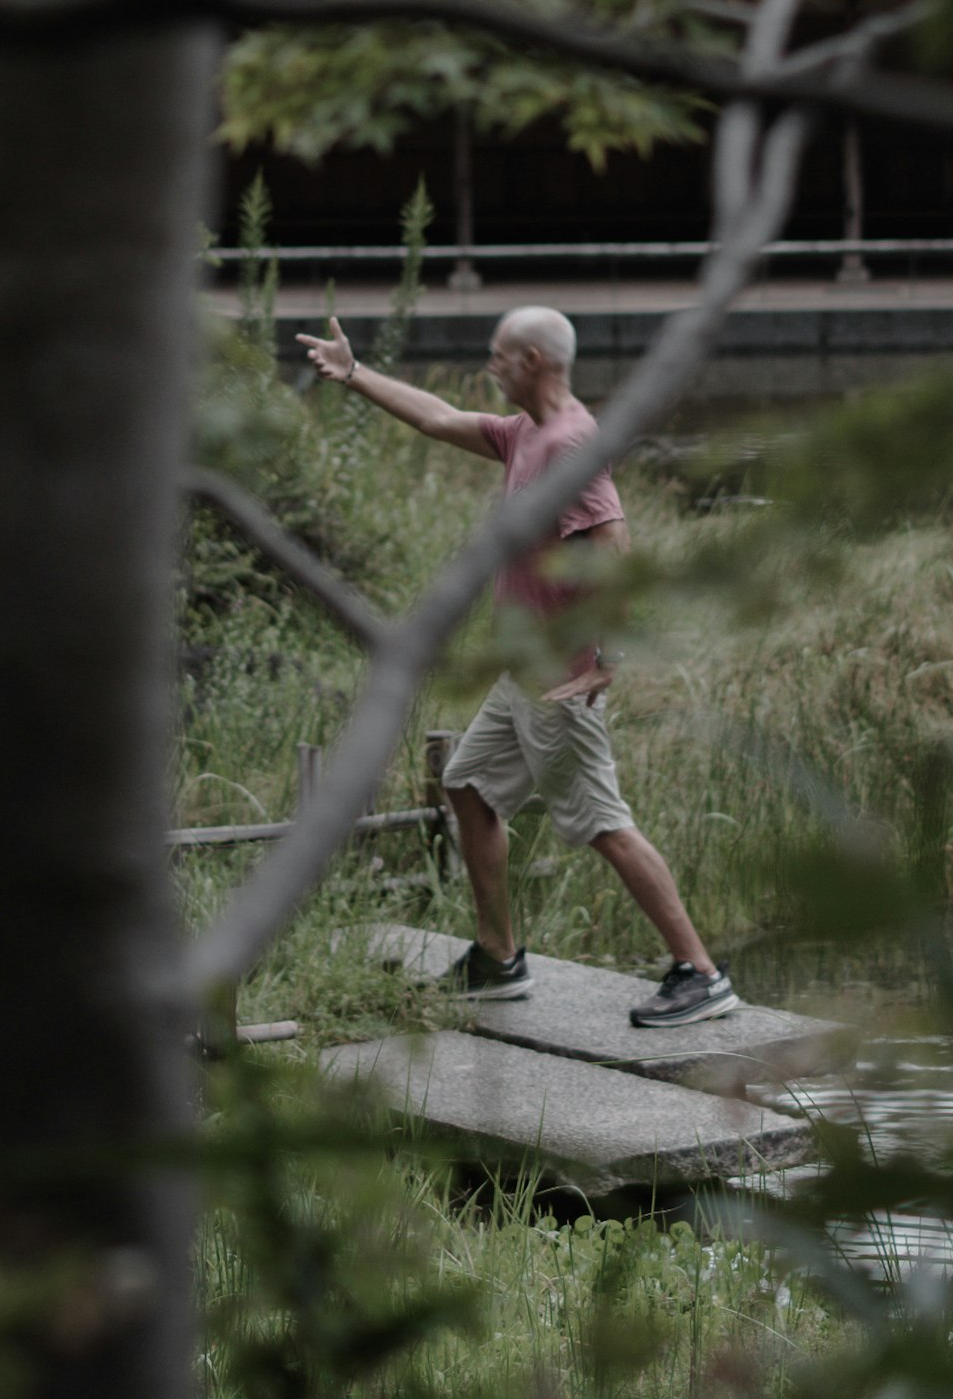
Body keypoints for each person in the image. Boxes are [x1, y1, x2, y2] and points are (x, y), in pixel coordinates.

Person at [296, 305, 740, 1027]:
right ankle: (498, 959)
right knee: (468, 785)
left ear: (533, 360)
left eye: (500, 356)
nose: (490, 365)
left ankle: (702, 972)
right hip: (522, 676)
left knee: (604, 824)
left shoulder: (569, 443)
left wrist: (609, 659)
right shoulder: (526, 433)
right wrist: (355, 374)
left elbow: (615, 542)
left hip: (559, 679)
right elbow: (438, 418)